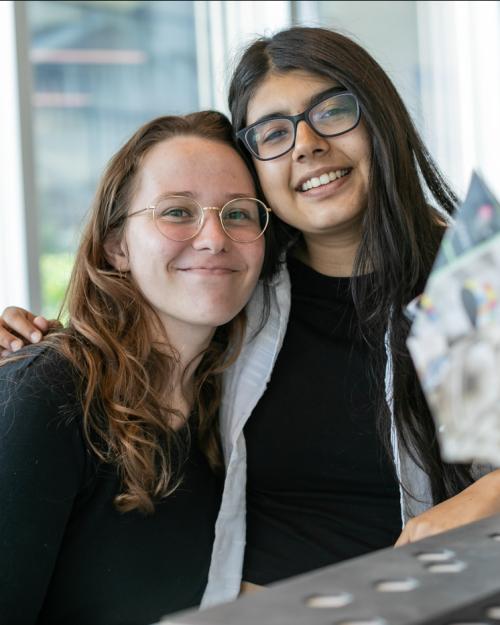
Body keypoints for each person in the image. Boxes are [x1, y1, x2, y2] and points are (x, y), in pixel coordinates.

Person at [2, 27, 500, 609]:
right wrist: (30, 347)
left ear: (381, 120)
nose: (306, 145)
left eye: (334, 110)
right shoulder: (244, 292)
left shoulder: (469, 280)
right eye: (273, 132)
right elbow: (130, 340)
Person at [0, 110, 273, 624]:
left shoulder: (235, 406)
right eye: (176, 212)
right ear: (116, 246)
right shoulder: (47, 394)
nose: (215, 237)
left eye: (237, 213)